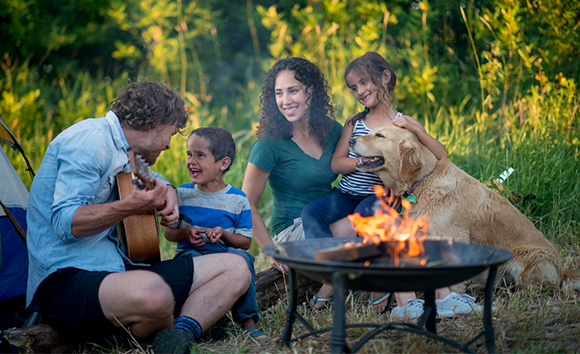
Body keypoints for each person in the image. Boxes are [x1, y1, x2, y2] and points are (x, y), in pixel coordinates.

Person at [25, 80, 251, 354]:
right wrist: (130, 206)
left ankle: (178, 334)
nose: (168, 145)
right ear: (155, 123)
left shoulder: (127, 152)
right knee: (154, 292)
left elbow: (154, 178)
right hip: (65, 279)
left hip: (118, 269)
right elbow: (65, 222)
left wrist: (168, 191)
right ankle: (162, 319)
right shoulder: (89, 141)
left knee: (237, 266)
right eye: (170, 133)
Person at [303, 52, 481, 319]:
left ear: (385, 77)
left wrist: (419, 130)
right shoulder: (354, 123)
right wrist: (362, 162)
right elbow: (337, 165)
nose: (360, 91)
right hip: (346, 192)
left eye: (364, 82)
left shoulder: (401, 124)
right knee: (311, 213)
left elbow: (441, 155)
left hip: (377, 196)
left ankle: (382, 281)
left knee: (369, 214)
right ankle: (329, 269)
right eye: (354, 88)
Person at [241, 57, 347, 274]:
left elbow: (359, 165)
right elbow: (246, 202)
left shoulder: (331, 130)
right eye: (279, 93)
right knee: (357, 225)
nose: (285, 100)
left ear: (311, 91)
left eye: (293, 91)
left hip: (329, 215)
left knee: (378, 214)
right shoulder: (269, 144)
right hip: (293, 231)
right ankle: (327, 293)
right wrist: (270, 250)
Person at [164, 127, 266, 340]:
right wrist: (185, 233)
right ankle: (196, 319)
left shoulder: (237, 199)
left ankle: (248, 321)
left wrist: (224, 235)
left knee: (243, 258)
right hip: (191, 256)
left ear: (224, 163)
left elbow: (245, 242)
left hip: (225, 259)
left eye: (200, 155)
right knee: (188, 260)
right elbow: (169, 234)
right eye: (189, 154)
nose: (192, 161)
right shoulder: (181, 194)